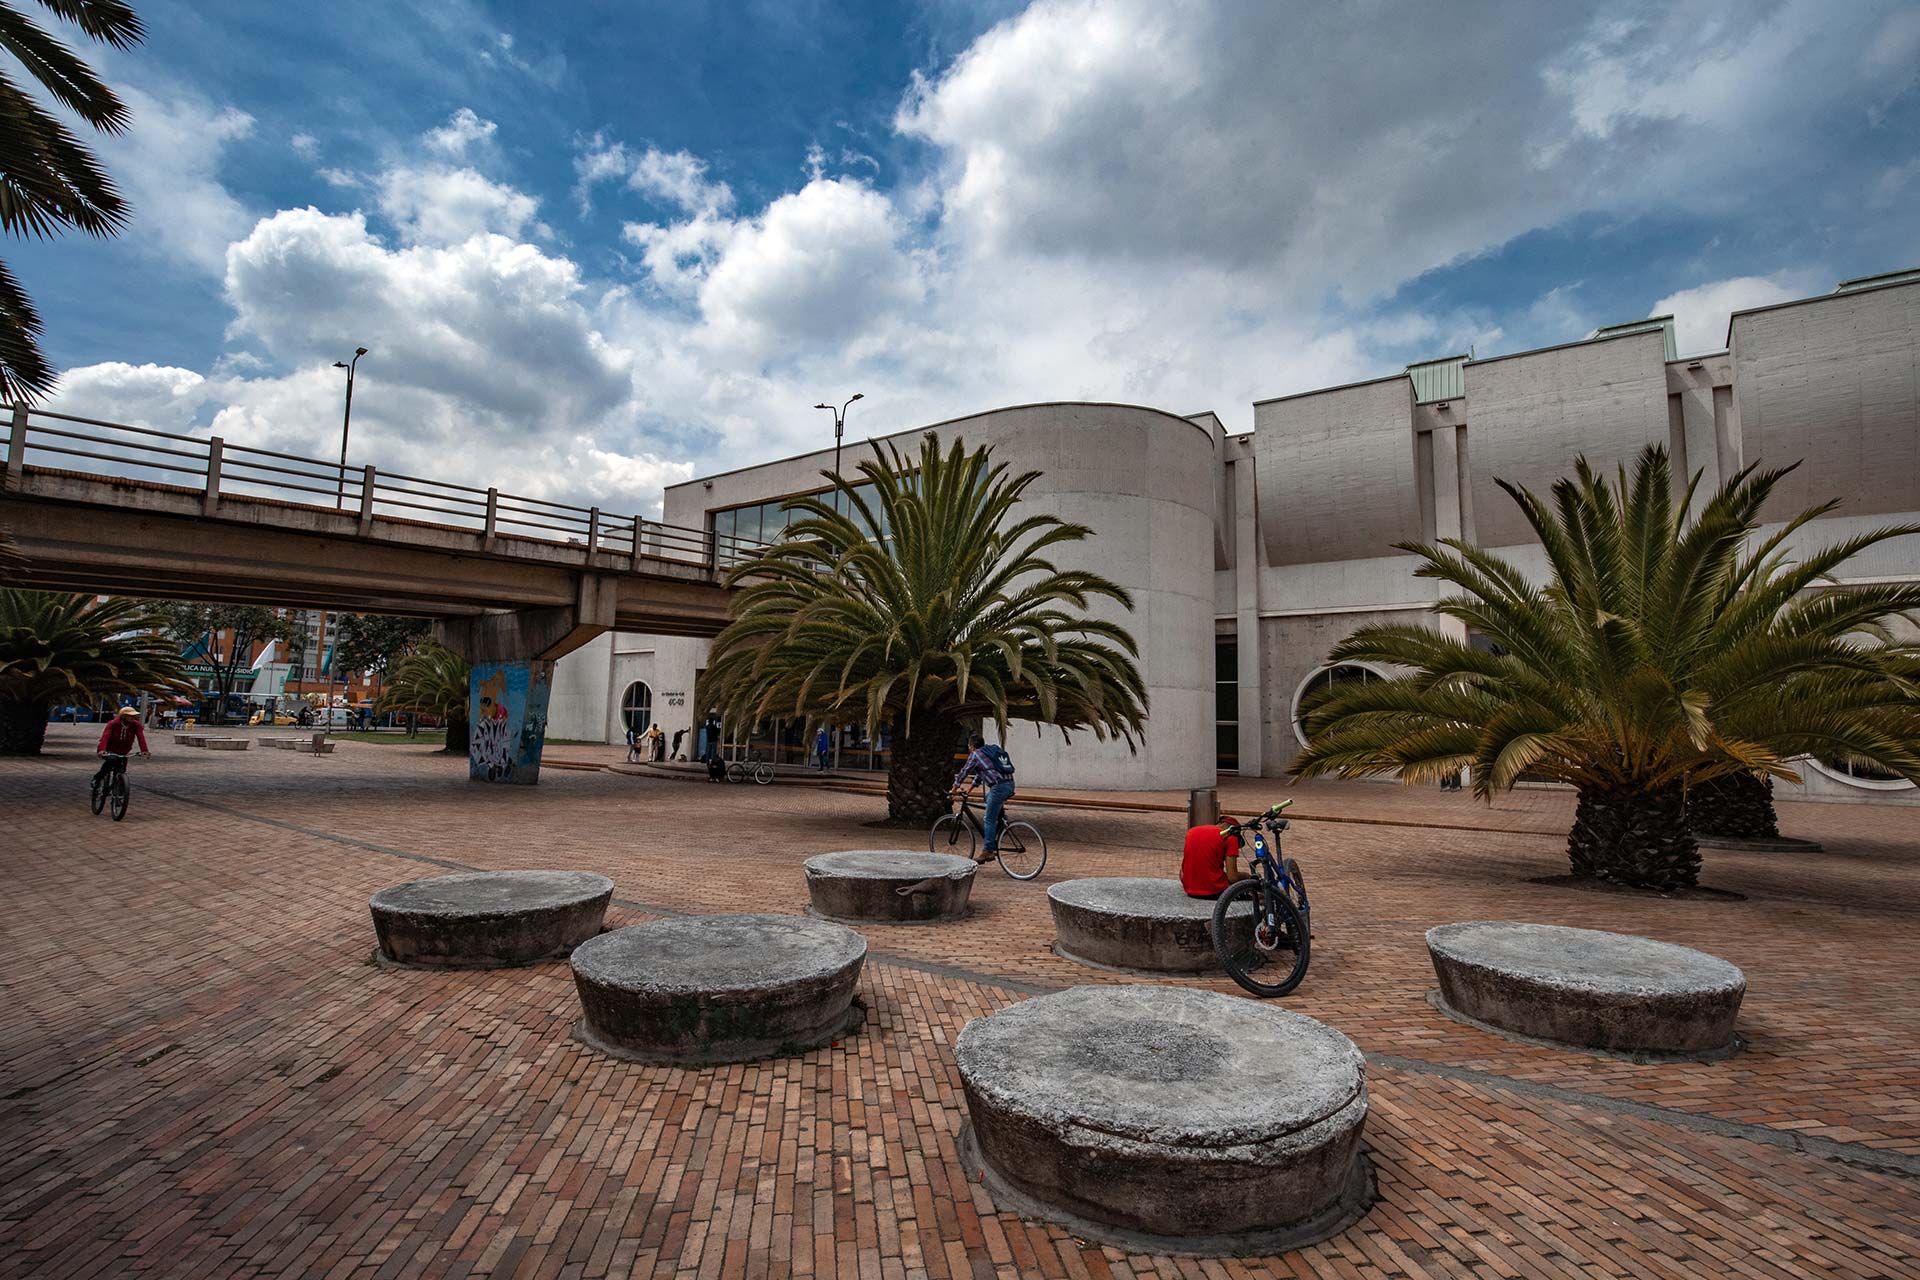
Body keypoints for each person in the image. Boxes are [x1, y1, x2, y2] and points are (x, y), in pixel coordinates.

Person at [953, 733, 1016, 863]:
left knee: (989, 819)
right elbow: (981, 773)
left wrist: (954, 789)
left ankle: (988, 851)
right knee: (988, 798)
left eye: (969, 746)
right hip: (1009, 784)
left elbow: (964, 771)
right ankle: (1002, 820)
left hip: (998, 787)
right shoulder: (988, 753)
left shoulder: (975, 755)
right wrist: (970, 789)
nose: (969, 749)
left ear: (972, 746)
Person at [1180, 815, 1247, 899]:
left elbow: (1182, 872)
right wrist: (1246, 876)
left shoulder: (1192, 831)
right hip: (1215, 891)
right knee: (1253, 892)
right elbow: (1233, 877)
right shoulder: (1230, 836)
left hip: (1190, 889)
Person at [93, 706, 150, 788]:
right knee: (112, 760)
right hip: (109, 750)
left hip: (124, 751)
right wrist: (102, 750)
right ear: (124, 716)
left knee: (121, 768)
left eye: (133, 716)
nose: (132, 717)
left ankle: (117, 788)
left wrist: (144, 750)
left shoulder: (136, 725)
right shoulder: (113, 724)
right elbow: (105, 737)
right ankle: (98, 778)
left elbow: (141, 738)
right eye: (130, 716)